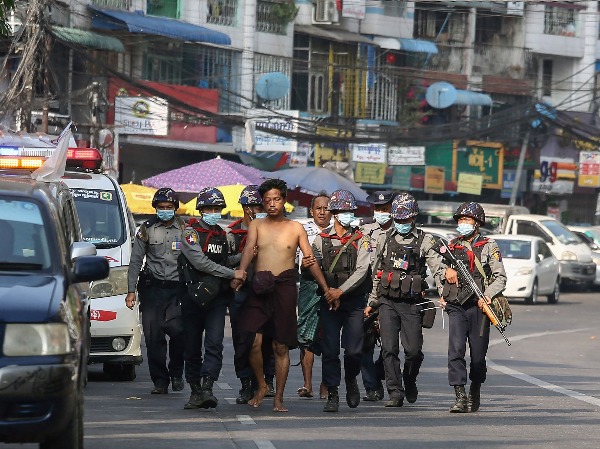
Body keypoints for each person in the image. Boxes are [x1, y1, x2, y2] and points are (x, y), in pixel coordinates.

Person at [234, 178, 329, 412]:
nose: (272, 204)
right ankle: (262, 385)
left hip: (285, 286)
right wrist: (241, 272)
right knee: (253, 342)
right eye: (267, 201)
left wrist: (326, 289)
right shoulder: (256, 225)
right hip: (260, 284)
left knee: (280, 346)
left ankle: (279, 399)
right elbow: (248, 249)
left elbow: (309, 258)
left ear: (284, 200)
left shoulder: (295, 228)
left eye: (276, 199)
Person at [364, 193, 443, 407]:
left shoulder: (425, 240)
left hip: (412, 303)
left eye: (405, 220)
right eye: (398, 220)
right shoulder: (383, 238)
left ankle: (409, 380)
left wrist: (444, 292)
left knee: (414, 351)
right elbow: (376, 272)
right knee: (389, 349)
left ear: (414, 218)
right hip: (387, 301)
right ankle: (395, 392)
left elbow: (437, 268)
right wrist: (372, 302)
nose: (401, 224)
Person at [178, 187, 247, 410]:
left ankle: (207, 387)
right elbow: (200, 263)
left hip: (217, 298)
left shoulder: (222, 233)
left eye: (217, 208)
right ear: (201, 209)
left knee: (215, 344)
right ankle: (195, 390)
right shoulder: (190, 233)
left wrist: (248, 255)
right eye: (209, 208)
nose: (213, 212)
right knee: (191, 346)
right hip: (192, 297)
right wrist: (232, 273)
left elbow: (228, 260)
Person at [437, 201, 506, 413]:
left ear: (477, 223)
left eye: (466, 219)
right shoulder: (451, 246)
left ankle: (475, 387)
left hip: (479, 307)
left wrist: (486, 296)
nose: (462, 223)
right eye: (460, 220)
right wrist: (444, 280)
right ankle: (459, 395)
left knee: (477, 356)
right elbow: (439, 274)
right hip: (457, 305)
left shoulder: (488, 246)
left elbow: (500, 278)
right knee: (455, 350)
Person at [310, 189, 372, 413]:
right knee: (330, 350)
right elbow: (312, 266)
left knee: (354, 351)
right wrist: (329, 292)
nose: (348, 215)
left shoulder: (362, 240)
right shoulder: (321, 239)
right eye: (343, 211)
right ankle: (333, 393)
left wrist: (340, 292)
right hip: (329, 302)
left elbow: (362, 270)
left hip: (354, 302)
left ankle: (351, 380)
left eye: (350, 211)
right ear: (334, 213)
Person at [126, 187, 186, 394]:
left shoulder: (186, 228)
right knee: (154, 338)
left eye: (169, 207)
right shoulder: (146, 229)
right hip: (152, 289)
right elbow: (135, 260)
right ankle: (160, 381)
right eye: (161, 207)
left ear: (175, 208)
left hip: (178, 290)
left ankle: (177, 373)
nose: (165, 210)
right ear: (155, 208)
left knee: (179, 332)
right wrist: (131, 290)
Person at [226, 185, 276, 404]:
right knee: (243, 339)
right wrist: (243, 257)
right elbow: (224, 262)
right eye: (256, 205)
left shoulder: (273, 229)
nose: (260, 209)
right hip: (242, 292)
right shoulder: (232, 233)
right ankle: (246, 383)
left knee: (270, 339)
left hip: (267, 291)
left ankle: (267, 380)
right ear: (247, 208)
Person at [359, 190, 396, 402]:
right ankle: (371, 387)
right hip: (365, 292)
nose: (381, 212)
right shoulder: (364, 231)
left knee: (390, 344)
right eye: (378, 209)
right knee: (365, 344)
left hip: (390, 293)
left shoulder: (400, 232)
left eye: (385, 209)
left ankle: (379, 373)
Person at [296, 192, 331, 400]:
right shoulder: (302, 230)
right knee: (306, 338)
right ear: (312, 211)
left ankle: (326, 385)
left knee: (329, 338)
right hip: (309, 286)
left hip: (332, 287)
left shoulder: (339, 230)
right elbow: (300, 260)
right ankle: (307, 384)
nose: (322, 212)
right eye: (318, 208)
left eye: (326, 208)